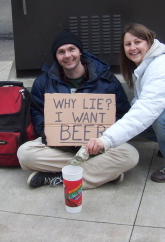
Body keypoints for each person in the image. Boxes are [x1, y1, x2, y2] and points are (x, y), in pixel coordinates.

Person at [86, 23, 165, 183]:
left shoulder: (162, 69)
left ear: (149, 42)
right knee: (136, 124)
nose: (132, 47)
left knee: (161, 119)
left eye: (137, 42)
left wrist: (107, 140)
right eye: (128, 44)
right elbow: (140, 106)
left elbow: (146, 110)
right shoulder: (145, 65)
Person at [17, 29, 139, 189]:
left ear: (80, 52)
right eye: (61, 52)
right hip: (59, 147)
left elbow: (122, 113)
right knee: (25, 154)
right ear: (56, 57)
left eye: (71, 49)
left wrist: (102, 137)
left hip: (96, 147)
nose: (67, 56)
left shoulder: (106, 80)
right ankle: (102, 173)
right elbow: (37, 112)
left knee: (130, 155)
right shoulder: (43, 82)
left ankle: (58, 177)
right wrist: (48, 132)